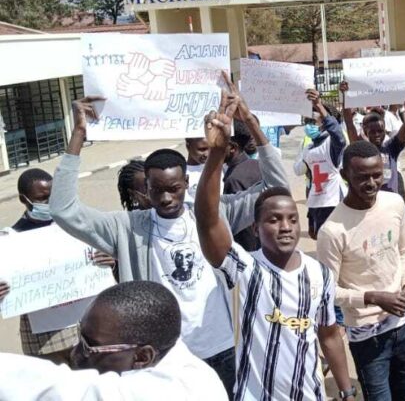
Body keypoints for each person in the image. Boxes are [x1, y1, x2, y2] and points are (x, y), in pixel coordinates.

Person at [49, 74, 288, 396]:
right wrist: (78, 135)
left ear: (187, 184)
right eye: (156, 190)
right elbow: (64, 210)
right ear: (145, 188)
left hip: (222, 346)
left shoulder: (214, 216)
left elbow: (276, 188)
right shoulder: (127, 228)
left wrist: (250, 122)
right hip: (161, 357)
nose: (165, 199)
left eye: (174, 190)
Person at [194, 105, 357, 401]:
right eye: (274, 220)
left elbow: (329, 334)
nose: (285, 227)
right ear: (255, 229)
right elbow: (207, 221)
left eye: (292, 219)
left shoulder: (318, 273)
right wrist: (216, 154)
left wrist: (346, 389)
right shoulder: (243, 269)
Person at [0, 281, 227, 401]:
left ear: (142, 356)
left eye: (89, 347)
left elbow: (57, 389)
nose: (75, 354)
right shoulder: (169, 354)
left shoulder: (173, 391)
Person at [317, 139, 405, 401]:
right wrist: (372, 297)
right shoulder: (332, 230)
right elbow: (328, 292)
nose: (372, 183)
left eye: (377, 175)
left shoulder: (394, 203)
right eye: (362, 177)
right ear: (344, 176)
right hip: (367, 338)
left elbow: (404, 252)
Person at [0, 169, 109, 365]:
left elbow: (106, 255)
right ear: (23, 199)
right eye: (42, 199)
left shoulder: (75, 225)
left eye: (53, 196)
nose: (50, 203)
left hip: (86, 329)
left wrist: (109, 260)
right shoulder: (10, 242)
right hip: (44, 339)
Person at [340, 81, 405, 201]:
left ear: (385, 129)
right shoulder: (361, 148)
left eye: (380, 131)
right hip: (370, 201)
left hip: (392, 200)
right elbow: (349, 123)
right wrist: (344, 96)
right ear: (365, 131)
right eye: (372, 132)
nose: (377, 135)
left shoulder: (391, 147)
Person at [293, 89, 347, 240]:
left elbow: (338, 136)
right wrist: (310, 214)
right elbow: (308, 179)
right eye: (307, 122)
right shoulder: (309, 147)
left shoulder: (331, 143)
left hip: (333, 201)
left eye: (313, 121)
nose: (309, 125)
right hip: (316, 203)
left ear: (324, 124)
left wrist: (319, 105)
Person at [223, 118, 262, 251]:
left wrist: (247, 253)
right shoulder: (257, 165)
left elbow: (243, 224)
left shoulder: (234, 179)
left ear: (232, 148)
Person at [184, 137, 218, 205]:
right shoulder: (181, 172)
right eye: (202, 149)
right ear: (188, 147)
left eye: (210, 149)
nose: (207, 154)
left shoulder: (218, 168)